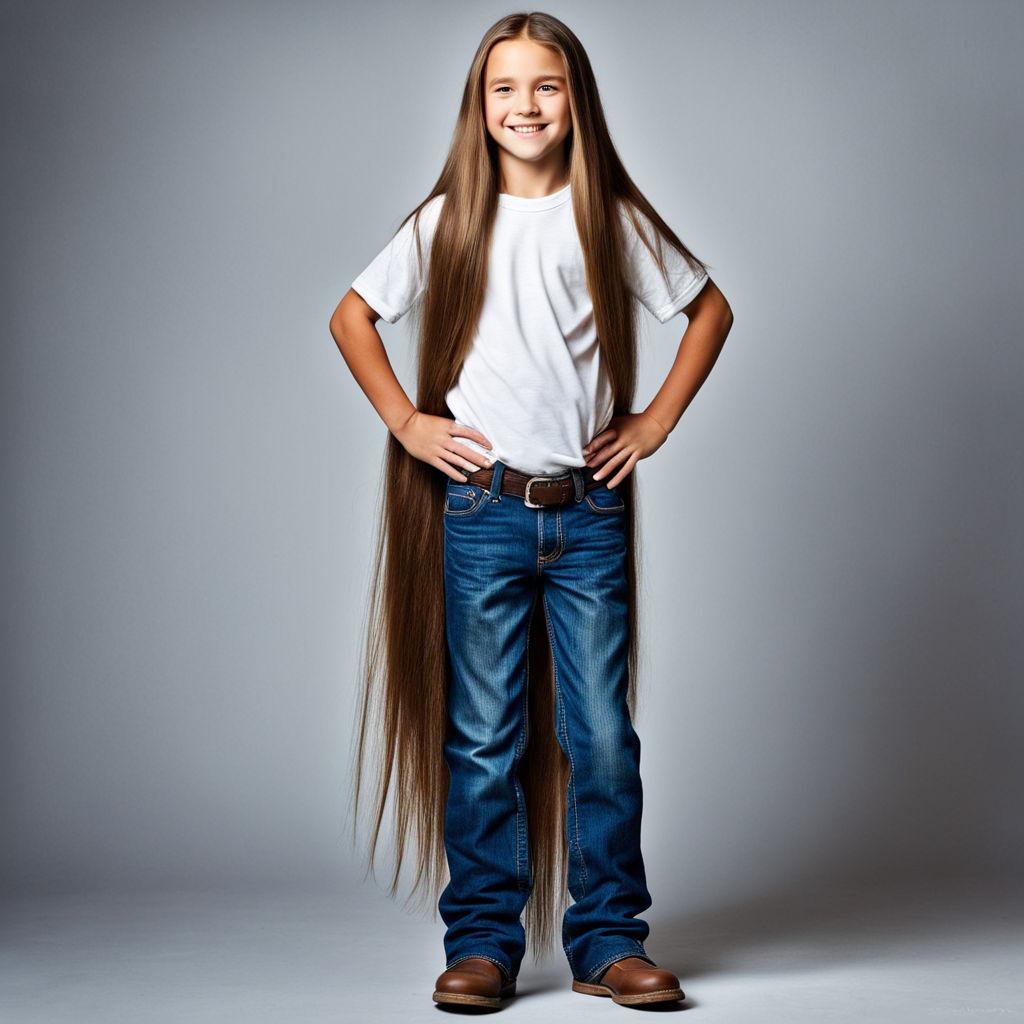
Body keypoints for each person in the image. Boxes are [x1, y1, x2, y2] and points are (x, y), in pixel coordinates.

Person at [329, 10, 733, 1010]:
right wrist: (406, 422)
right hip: (481, 512)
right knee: (480, 738)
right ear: (480, 103)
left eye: (544, 86)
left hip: (586, 514)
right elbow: (352, 316)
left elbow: (708, 308)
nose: (525, 105)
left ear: (575, 99)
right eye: (504, 87)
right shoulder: (448, 219)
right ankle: (480, 945)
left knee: (600, 736)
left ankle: (606, 941)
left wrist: (653, 423)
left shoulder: (608, 216)